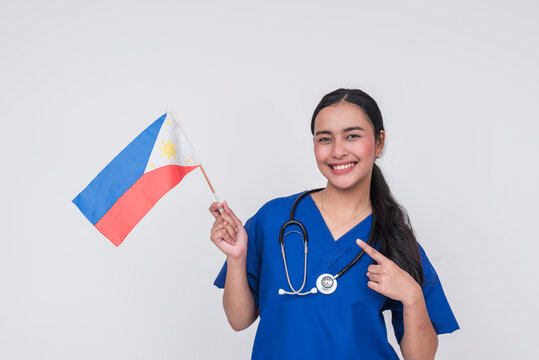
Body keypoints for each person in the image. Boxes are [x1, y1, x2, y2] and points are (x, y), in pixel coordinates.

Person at [209, 88, 459, 359]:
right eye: (325, 138)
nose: (338, 151)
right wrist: (237, 259)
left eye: (352, 136)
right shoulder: (274, 219)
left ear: (378, 142)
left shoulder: (393, 237)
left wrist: (412, 296)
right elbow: (239, 320)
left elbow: (420, 357)